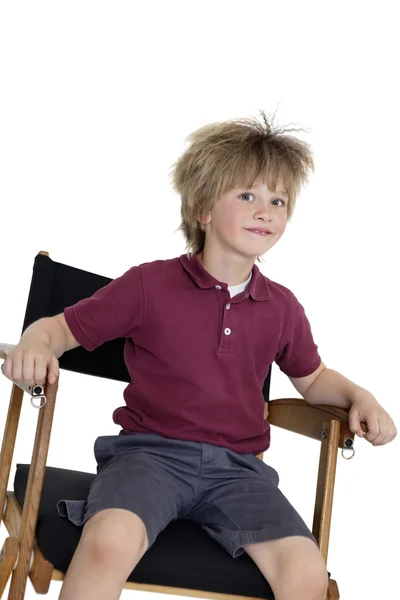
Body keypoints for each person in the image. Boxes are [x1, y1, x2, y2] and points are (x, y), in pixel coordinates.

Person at [2, 110, 396, 600]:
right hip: (149, 457)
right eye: (247, 195)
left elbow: (313, 380)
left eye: (278, 200)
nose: (265, 210)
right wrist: (35, 345)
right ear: (203, 210)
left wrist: (361, 396)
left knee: (307, 572)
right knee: (108, 542)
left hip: (240, 471)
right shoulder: (149, 285)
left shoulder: (282, 307)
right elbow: (59, 329)